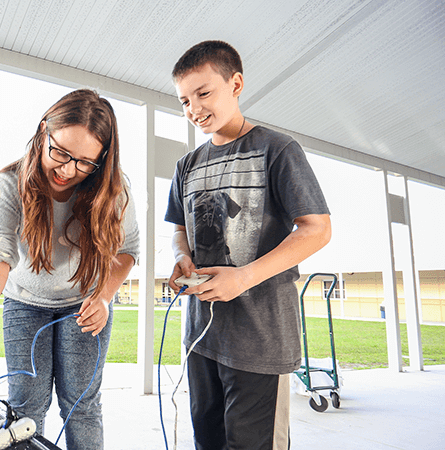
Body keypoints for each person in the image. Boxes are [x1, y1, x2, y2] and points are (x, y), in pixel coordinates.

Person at [0, 89, 139, 450]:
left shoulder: (114, 190)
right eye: (60, 152)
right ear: (44, 132)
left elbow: (127, 251)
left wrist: (104, 296)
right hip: (25, 303)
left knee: (82, 407)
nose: (68, 170)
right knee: (24, 411)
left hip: (85, 304)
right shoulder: (7, 187)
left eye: (86, 162)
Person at [164, 40, 331, 449]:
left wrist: (244, 278)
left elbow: (317, 229)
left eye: (204, 93)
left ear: (235, 83)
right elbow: (179, 230)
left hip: (260, 340)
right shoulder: (186, 165)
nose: (194, 108)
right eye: (185, 100)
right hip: (202, 337)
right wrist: (181, 257)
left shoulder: (277, 149)